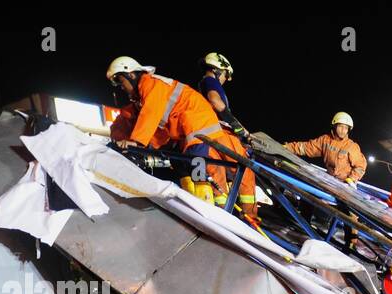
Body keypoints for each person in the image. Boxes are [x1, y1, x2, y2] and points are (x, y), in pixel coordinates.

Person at [105, 56, 256, 220]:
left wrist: (136, 142)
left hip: (197, 129)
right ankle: (218, 215)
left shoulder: (151, 84)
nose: (121, 87)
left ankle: (211, 217)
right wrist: (129, 144)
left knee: (200, 173)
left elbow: (150, 114)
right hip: (191, 132)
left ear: (131, 74)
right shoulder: (141, 97)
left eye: (121, 81)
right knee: (197, 173)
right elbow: (139, 122)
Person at [279, 112, 367, 184]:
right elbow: (307, 148)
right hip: (329, 180)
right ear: (335, 126)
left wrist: (352, 179)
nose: (343, 130)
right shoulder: (325, 140)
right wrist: (287, 147)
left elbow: (360, 166)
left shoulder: (352, 146)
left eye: (346, 128)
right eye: (340, 126)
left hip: (345, 184)